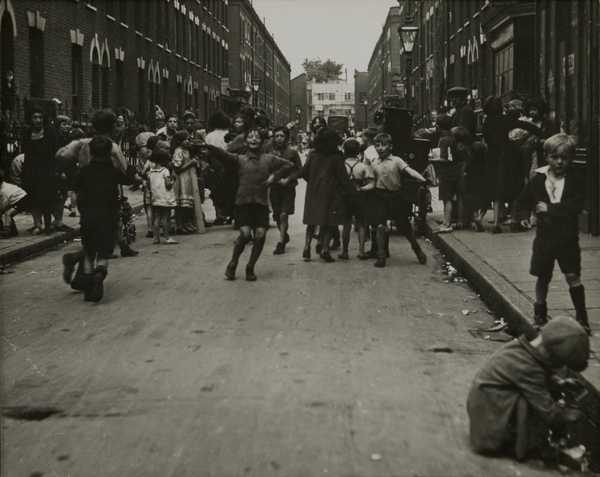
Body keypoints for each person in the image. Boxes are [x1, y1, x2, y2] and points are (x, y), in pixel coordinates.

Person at [467, 316, 589, 462]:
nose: (560, 368)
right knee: (532, 404)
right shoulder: (528, 368)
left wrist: (559, 383)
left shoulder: (521, 348)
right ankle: (520, 445)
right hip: (490, 429)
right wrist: (568, 415)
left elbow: (538, 374)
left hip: (487, 411)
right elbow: (547, 410)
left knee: (541, 394)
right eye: (560, 363)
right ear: (549, 356)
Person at [515, 133, 591, 335]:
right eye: (555, 157)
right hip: (544, 238)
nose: (559, 162)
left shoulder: (575, 180)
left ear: (571, 159)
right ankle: (540, 312)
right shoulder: (538, 179)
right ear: (546, 157)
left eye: (564, 158)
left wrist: (550, 209)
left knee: (572, 275)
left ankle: (582, 317)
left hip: (567, 238)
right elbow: (524, 199)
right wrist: (523, 214)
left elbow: (576, 205)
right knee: (543, 276)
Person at [204, 128, 294, 281]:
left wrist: (274, 177)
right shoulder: (239, 159)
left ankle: (250, 266)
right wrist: (208, 146)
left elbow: (289, 165)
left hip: (260, 204)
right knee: (245, 235)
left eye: (257, 137)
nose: (253, 139)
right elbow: (223, 154)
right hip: (243, 203)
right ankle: (233, 262)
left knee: (260, 235)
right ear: (245, 142)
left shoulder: (269, 159)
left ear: (262, 141)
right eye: (250, 137)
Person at [75, 136, 131, 302]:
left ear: (91, 153)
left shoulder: (83, 171)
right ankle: (100, 272)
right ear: (109, 153)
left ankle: (89, 279)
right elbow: (127, 177)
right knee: (104, 252)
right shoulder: (113, 171)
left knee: (89, 251)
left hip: (88, 216)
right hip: (108, 216)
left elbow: (75, 191)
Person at [370, 132, 427, 268]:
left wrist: (422, 179)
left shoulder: (396, 160)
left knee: (404, 227)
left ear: (390, 146)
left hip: (395, 197)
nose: (380, 148)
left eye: (384, 145)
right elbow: (370, 178)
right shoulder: (374, 162)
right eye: (377, 145)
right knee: (379, 226)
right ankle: (381, 256)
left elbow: (409, 171)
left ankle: (417, 249)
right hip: (379, 196)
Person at [298, 127, 354, 263]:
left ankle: (306, 247)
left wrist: (312, 182)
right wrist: (350, 191)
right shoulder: (337, 157)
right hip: (332, 193)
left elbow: (304, 172)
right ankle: (325, 249)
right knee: (329, 222)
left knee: (312, 221)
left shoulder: (312, 154)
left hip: (313, 192)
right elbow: (343, 178)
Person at [21, 108, 60, 234]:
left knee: (47, 198)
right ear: (31, 119)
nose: (38, 120)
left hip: (47, 170)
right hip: (31, 170)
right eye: (35, 117)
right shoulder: (27, 133)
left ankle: (48, 224)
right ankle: (37, 224)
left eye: (40, 117)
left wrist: (56, 170)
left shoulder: (50, 132)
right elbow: (25, 152)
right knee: (33, 198)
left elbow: (56, 152)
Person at [339, 138, 375, 260]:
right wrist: (362, 189)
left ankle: (344, 251)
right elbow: (372, 183)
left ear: (344, 150)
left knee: (346, 225)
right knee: (362, 224)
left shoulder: (341, 166)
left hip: (345, 197)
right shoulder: (362, 166)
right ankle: (361, 251)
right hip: (359, 197)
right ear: (358, 151)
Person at [269, 126, 302, 255]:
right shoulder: (269, 152)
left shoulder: (292, 153)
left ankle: (281, 242)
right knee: (277, 215)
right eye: (276, 136)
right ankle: (284, 234)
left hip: (288, 187)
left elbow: (299, 169)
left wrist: (288, 179)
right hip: (274, 187)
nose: (279, 139)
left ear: (286, 138)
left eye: (281, 136)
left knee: (284, 214)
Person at [452, 126, 489, 232]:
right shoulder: (482, 160)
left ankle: (466, 219)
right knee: (483, 200)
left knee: (465, 198)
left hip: (467, 179)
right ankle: (478, 218)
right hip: (481, 182)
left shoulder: (459, 148)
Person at [482, 97, 511, 233]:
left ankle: (484, 217)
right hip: (504, 156)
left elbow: (486, 139)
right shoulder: (505, 120)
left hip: (490, 157)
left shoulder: (487, 121)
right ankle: (497, 221)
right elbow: (522, 125)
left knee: (491, 188)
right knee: (501, 188)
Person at [171, 130, 200, 234]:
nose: (188, 141)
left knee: (187, 205)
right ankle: (179, 225)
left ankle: (186, 223)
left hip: (188, 178)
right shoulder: (178, 151)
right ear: (180, 141)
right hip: (181, 179)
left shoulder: (187, 150)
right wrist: (191, 163)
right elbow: (177, 168)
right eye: (186, 139)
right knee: (180, 205)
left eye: (189, 139)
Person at [148, 150, 178, 245]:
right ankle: (167, 237)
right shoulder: (165, 171)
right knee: (165, 218)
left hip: (155, 198)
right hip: (165, 198)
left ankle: (156, 238)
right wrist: (173, 180)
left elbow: (149, 185)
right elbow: (168, 185)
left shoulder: (151, 172)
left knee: (156, 218)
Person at [0, 169, 28, 237]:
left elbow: (3, 205)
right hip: (21, 198)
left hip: (22, 200)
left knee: (7, 214)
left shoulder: (3, 191)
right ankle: (13, 231)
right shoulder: (4, 184)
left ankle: (7, 231)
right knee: (7, 213)